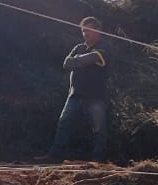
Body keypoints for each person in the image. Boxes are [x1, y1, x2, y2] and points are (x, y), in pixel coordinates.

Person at [41, 16, 110, 163]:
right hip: (74, 95)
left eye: (88, 30)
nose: (85, 34)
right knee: (63, 124)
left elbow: (93, 57)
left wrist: (77, 60)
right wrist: (84, 59)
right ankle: (55, 155)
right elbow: (66, 64)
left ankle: (99, 160)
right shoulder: (78, 47)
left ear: (98, 30)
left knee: (99, 128)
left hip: (95, 96)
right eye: (83, 31)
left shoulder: (105, 45)